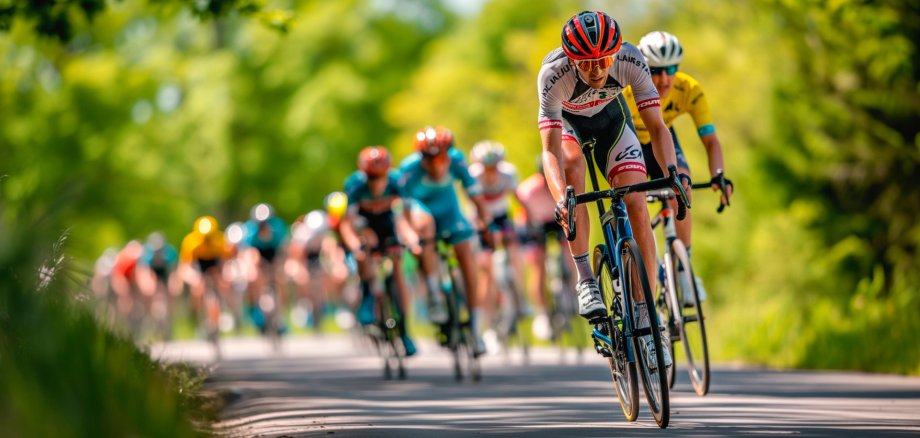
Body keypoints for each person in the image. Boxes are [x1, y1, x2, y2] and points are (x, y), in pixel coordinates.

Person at [537, 10, 690, 368]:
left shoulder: (630, 58)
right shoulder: (553, 75)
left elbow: (657, 127)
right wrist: (562, 199)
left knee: (636, 200)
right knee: (573, 167)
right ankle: (586, 277)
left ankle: (645, 318)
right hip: (570, 129)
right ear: (571, 60)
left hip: (612, 122)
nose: (595, 69)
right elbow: (549, 151)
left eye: (603, 60)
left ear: (615, 52)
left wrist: (671, 173)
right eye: (586, 62)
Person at [623, 30, 733, 305]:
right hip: (629, 140)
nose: (663, 79)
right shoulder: (626, 89)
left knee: (681, 185)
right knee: (631, 204)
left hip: (661, 139)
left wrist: (718, 175)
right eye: (655, 70)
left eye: (671, 69)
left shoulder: (689, 90)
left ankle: (684, 267)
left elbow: (710, 140)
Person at [398, 126, 492, 356]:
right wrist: (411, 237)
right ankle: (433, 293)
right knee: (425, 228)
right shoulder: (409, 169)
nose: (436, 164)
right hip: (423, 213)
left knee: (466, 256)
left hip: (450, 213)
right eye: (429, 160)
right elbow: (403, 211)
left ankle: (475, 327)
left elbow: (476, 196)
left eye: (441, 158)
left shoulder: (457, 161)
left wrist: (485, 224)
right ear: (421, 158)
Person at [340, 146, 423, 356]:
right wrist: (354, 246)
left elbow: (405, 217)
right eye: (371, 177)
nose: (375, 182)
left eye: (380, 176)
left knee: (397, 269)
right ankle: (368, 298)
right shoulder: (355, 185)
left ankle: (404, 331)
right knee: (365, 246)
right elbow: (347, 224)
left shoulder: (397, 182)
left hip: (388, 222)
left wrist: (412, 238)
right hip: (364, 224)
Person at [468, 140, 525, 345]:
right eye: (486, 168)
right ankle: (489, 324)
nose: (491, 173)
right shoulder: (472, 176)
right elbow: (472, 205)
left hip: (501, 215)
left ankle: (519, 295)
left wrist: (528, 219)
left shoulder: (508, 173)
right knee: (487, 270)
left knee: (515, 248)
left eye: (494, 168)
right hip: (479, 218)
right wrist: (482, 229)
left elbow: (519, 199)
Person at [516, 158, 576, 340]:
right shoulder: (528, 189)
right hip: (536, 223)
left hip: (557, 220)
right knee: (538, 265)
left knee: (570, 250)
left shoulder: (562, 185)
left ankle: (573, 292)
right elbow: (523, 216)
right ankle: (542, 312)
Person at [241, 203, 289, 334]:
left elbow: (284, 249)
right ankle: (257, 309)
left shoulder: (278, 228)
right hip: (257, 254)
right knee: (254, 276)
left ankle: (280, 315)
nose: (263, 226)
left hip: (274, 253)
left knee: (280, 280)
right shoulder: (250, 231)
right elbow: (248, 252)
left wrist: (281, 266)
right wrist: (251, 269)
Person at [179, 216, 230, 334]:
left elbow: (226, 261)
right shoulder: (191, 243)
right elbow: (185, 266)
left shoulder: (220, 241)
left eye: (209, 237)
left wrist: (224, 275)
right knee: (197, 288)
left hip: (215, 264)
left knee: (223, 283)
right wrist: (194, 278)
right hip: (198, 265)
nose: (207, 239)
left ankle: (225, 309)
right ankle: (197, 315)